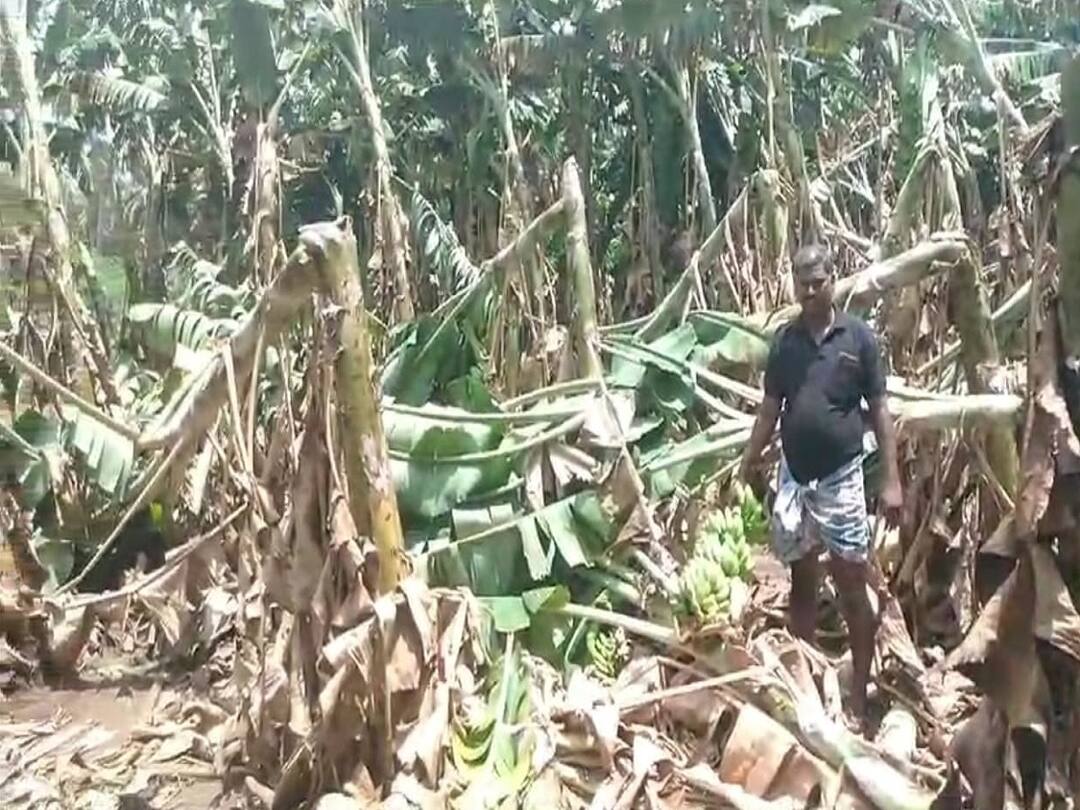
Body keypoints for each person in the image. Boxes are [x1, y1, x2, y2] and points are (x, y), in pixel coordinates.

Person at [738, 244, 902, 727]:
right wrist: (750, 458)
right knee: (802, 581)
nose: (810, 291)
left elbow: (879, 410)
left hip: (841, 478)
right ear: (794, 284)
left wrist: (892, 479)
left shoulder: (858, 339)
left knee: (852, 583)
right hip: (794, 478)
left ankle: (858, 697)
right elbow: (771, 409)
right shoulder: (786, 344)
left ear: (834, 280)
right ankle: (805, 687)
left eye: (818, 281)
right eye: (802, 282)